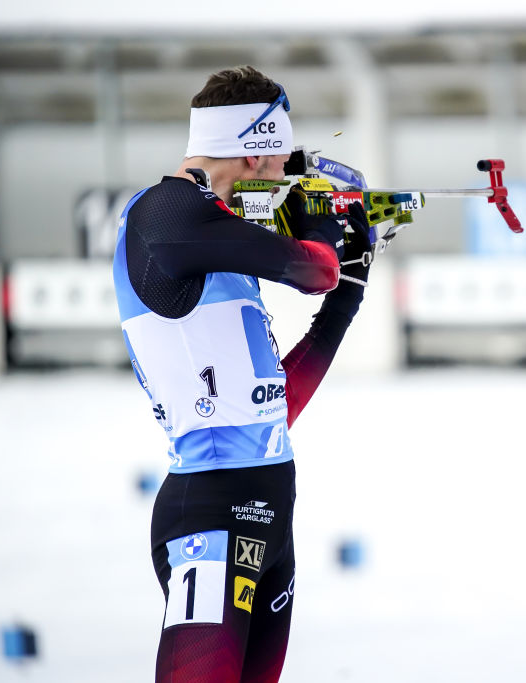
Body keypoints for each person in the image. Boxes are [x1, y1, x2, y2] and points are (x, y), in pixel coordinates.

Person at [112, 65, 373, 683]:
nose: (289, 170)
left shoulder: (216, 241)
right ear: (253, 154)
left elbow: (267, 413)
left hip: (266, 512)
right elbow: (313, 269)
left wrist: (346, 299)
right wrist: (320, 234)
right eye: (284, 157)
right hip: (210, 512)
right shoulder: (165, 213)